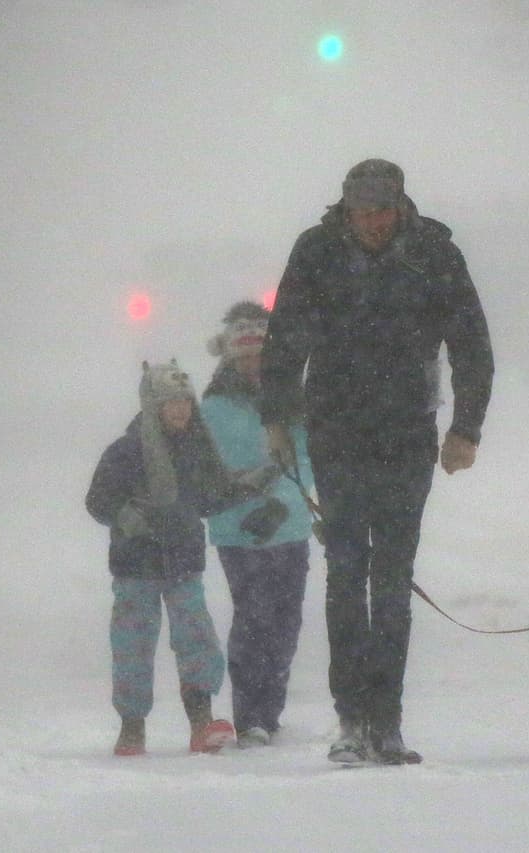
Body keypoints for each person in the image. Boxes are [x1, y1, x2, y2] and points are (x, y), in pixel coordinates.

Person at [260, 158, 494, 765]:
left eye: (382, 212)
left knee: (391, 579)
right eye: (362, 213)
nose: (372, 224)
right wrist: (276, 419)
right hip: (335, 433)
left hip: (407, 434)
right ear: (346, 208)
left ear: (400, 206)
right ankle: (351, 720)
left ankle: (386, 721)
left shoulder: (434, 253)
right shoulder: (316, 251)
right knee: (344, 574)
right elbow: (285, 336)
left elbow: (472, 344)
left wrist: (465, 428)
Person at [86, 360, 279, 756]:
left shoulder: (197, 450)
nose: (180, 410)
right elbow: (98, 500)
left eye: (185, 402)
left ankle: (201, 721)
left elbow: (212, 497)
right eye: (170, 402)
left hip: (183, 564)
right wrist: (126, 516)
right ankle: (132, 727)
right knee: (133, 645)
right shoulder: (125, 451)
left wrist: (255, 482)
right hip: (134, 567)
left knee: (197, 640)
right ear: (153, 405)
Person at [200, 301, 314, 748]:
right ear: (229, 356)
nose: (252, 364)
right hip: (238, 534)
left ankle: (271, 710)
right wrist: (244, 504)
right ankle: (250, 716)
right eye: (243, 355)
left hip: (291, 528)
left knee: (286, 623)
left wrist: (283, 503)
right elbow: (208, 471)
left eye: (258, 355)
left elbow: (306, 457)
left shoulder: (292, 400)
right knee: (253, 618)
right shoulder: (210, 409)